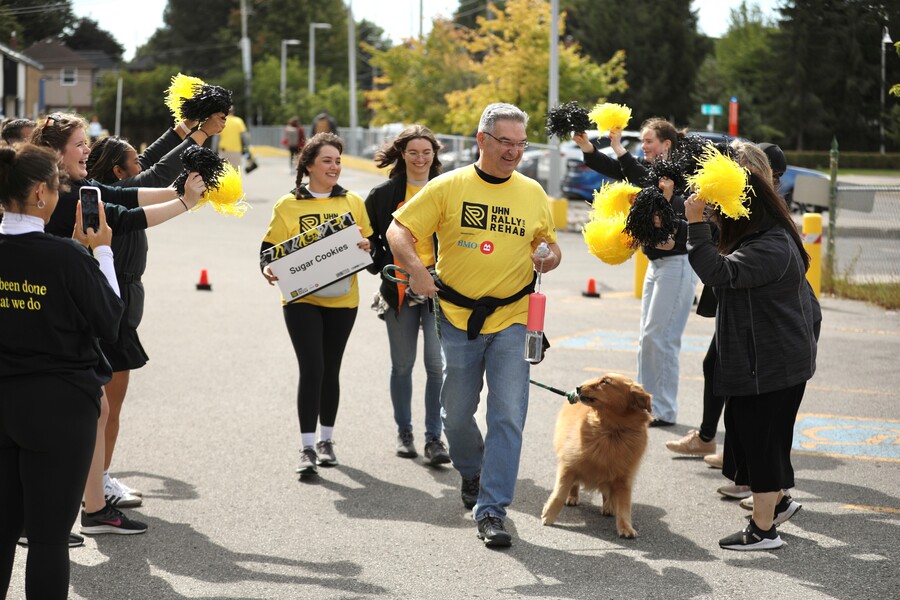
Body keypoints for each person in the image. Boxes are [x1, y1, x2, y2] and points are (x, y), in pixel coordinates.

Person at [386, 103, 561, 547]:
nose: (515, 152)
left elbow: (551, 249)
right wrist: (419, 274)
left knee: (508, 415)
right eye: (506, 142)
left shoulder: (532, 193)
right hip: (457, 317)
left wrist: (549, 256)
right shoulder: (448, 187)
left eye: (521, 144)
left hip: (513, 318)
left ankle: (492, 509)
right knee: (457, 415)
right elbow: (397, 231)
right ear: (482, 140)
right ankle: (471, 470)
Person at [31, 112, 206, 535]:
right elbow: (122, 216)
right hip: (58, 318)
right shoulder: (60, 195)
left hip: (73, 315)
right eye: (79, 143)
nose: (87, 148)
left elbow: (125, 196)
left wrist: (180, 192)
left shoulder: (77, 186)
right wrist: (184, 202)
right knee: (70, 414)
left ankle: (89, 507)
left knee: (97, 406)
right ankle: (50, 514)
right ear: (56, 152)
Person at [666, 143, 822, 505]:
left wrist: (694, 223)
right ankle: (770, 495)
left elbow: (718, 270)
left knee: (764, 433)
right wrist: (682, 224)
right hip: (764, 347)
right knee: (752, 427)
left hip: (775, 353)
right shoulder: (753, 223)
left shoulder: (770, 239)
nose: (714, 205)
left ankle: (767, 517)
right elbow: (714, 246)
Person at [0, 143, 123, 598]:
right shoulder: (67, 258)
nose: (58, 195)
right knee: (50, 539)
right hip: (59, 407)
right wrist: (102, 252)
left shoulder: (60, 255)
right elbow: (110, 321)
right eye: (56, 187)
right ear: (39, 193)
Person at [85, 113, 226, 507]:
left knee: (105, 407)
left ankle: (96, 479)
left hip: (125, 301)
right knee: (108, 407)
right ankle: (100, 481)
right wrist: (198, 136)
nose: (141, 165)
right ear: (118, 170)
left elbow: (153, 160)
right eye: (134, 162)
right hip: (113, 304)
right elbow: (158, 170)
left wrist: (184, 128)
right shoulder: (113, 194)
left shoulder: (112, 185)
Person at [261, 132, 373, 475]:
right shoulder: (288, 204)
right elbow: (268, 250)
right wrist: (266, 267)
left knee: (331, 369)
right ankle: (308, 446)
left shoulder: (353, 201)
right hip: (301, 299)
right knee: (312, 368)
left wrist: (369, 248)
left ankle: (327, 441)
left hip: (344, 299)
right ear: (308, 165)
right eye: (327, 160)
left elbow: (368, 244)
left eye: (338, 161)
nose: (334, 167)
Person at [574, 118, 697, 427]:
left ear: (666, 145)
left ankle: (664, 409)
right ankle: (646, 404)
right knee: (647, 338)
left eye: (649, 141)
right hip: (656, 265)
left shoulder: (678, 175)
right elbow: (621, 170)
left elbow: (687, 212)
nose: (644, 146)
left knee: (661, 338)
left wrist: (619, 149)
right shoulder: (651, 173)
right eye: (641, 141)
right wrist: (590, 147)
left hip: (678, 264)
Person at [364, 125, 449, 465]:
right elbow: (370, 243)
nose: (420, 158)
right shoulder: (383, 195)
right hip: (398, 285)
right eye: (413, 152)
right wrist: (368, 250)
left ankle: (434, 438)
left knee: (435, 366)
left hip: (439, 287)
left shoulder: (447, 189)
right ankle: (405, 432)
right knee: (402, 366)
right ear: (402, 154)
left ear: (435, 155)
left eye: (426, 152)